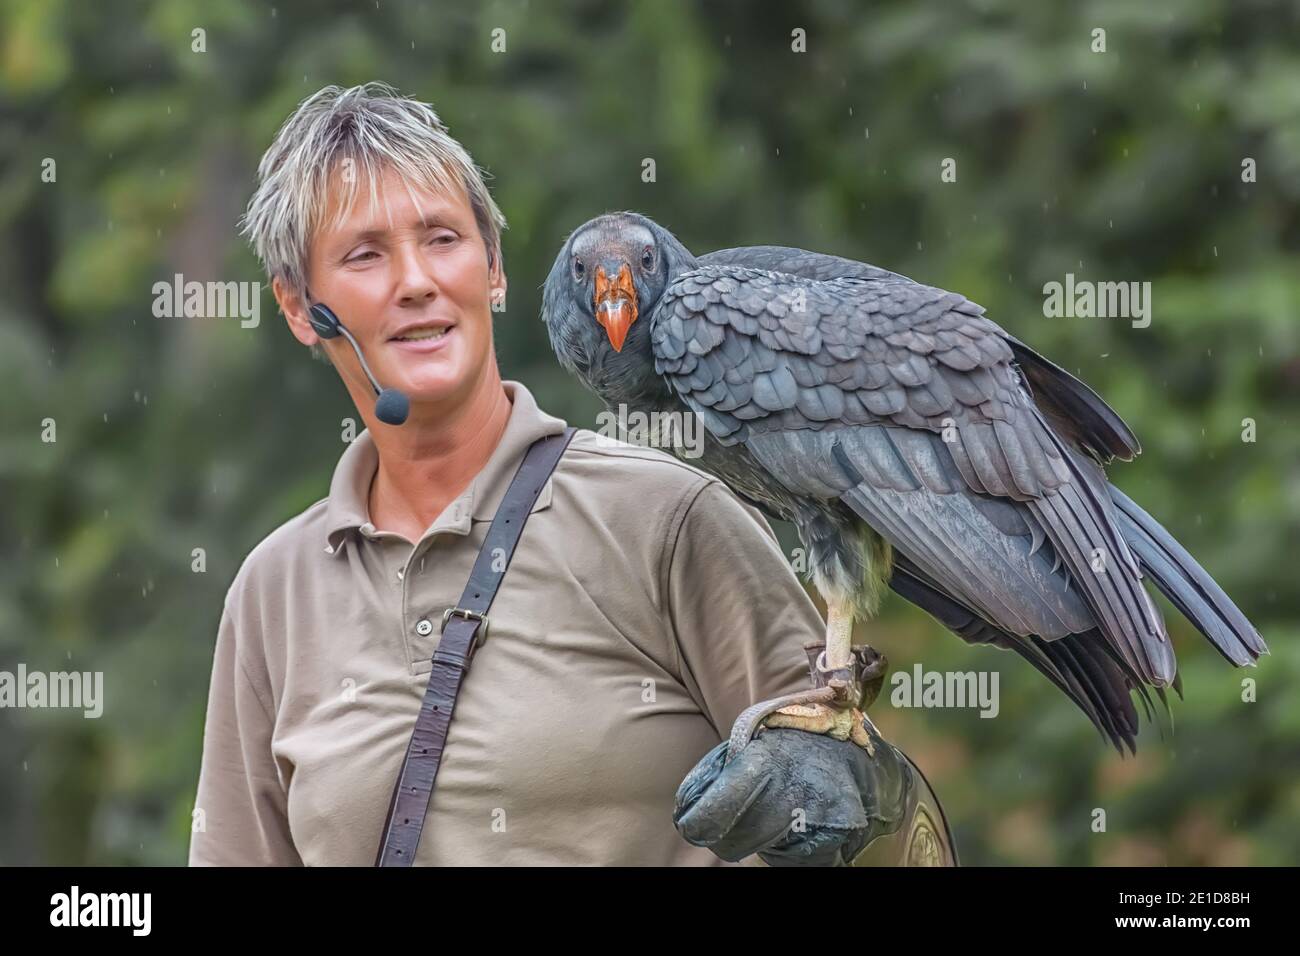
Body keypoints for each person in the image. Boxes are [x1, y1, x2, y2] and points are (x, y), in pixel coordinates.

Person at [188, 82, 951, 867]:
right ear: (298, 305)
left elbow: (880, 831)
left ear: (494, 271)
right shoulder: (273, 592)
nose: (415, 279)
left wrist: (860, 800)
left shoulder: (666, 521)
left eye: (443, 239)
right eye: (365, 254)